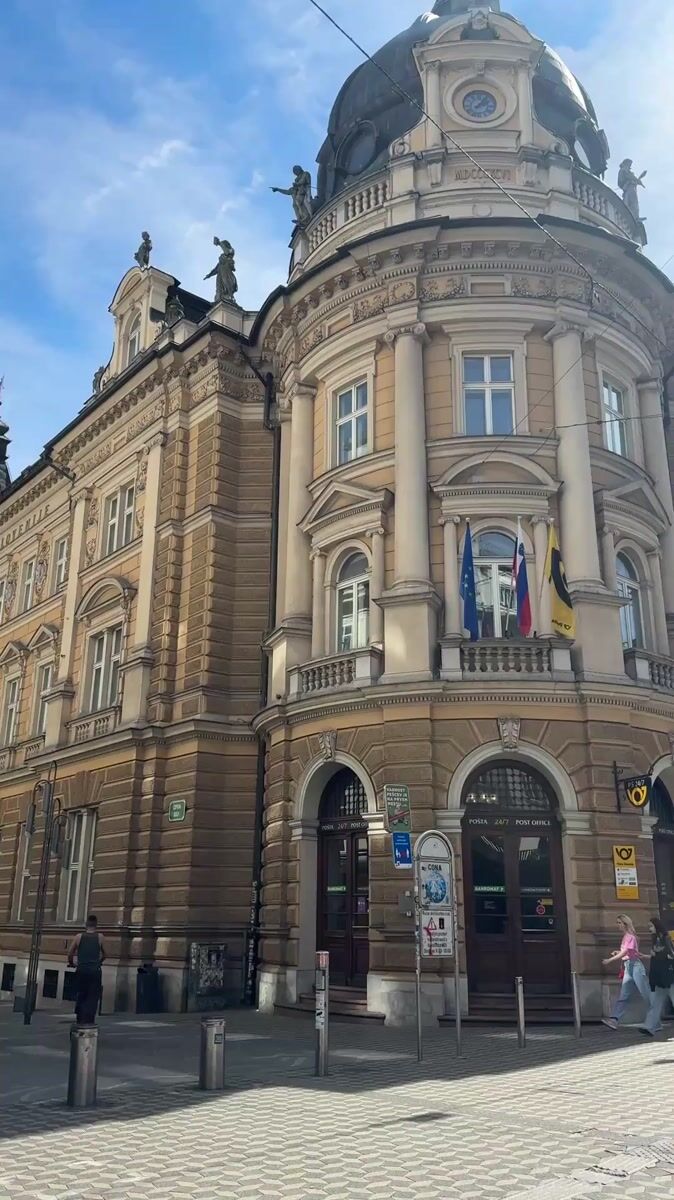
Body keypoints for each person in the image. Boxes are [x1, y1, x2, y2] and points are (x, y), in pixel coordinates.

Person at [601, 914, 651, 1029]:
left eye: (619, 923)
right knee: (624, 995)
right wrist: (617, 952)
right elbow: (626, 952)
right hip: (628, 967)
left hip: (635, 966)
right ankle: (614, 1020)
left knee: (645, 993)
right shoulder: (626, 937)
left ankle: (654, 1019)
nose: (617, 925)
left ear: (625, 924)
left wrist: (610, 960)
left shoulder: (630, 937)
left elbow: (625, 952)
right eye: (617, 922)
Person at [639, 917, 674, 1037]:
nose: (649, 929)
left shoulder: (665, 939)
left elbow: (671, 955)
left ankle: (650, 1026)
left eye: (651, 926)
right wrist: (647, 956)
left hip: (669, 977)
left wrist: (657, 954)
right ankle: (650, 1026)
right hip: (659, 976)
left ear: (656, 926)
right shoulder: (655, 940)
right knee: (656, 1003)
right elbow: (657, 956)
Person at [67, 914, 106, 1025]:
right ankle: (90, 1019)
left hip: (82, 970)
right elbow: (105, 954)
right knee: (93, 996)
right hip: (95, 971)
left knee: (81, 993)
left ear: (86, 924)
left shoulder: (78, 937)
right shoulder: (100, 937)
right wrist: (99, 962)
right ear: (96, 925)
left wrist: (72, 963)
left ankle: (80, 1018)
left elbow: (70, 953)